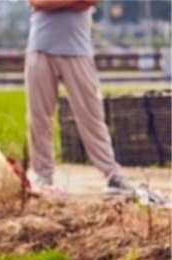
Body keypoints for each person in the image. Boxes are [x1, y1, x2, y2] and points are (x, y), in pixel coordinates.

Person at [25, 0, 136, 195]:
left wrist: (54, 3)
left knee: (91, 116)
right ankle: (43, 176)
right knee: (39, 117)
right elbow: (37, 2)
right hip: (40, 47)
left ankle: (112, 174)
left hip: (77, 49)